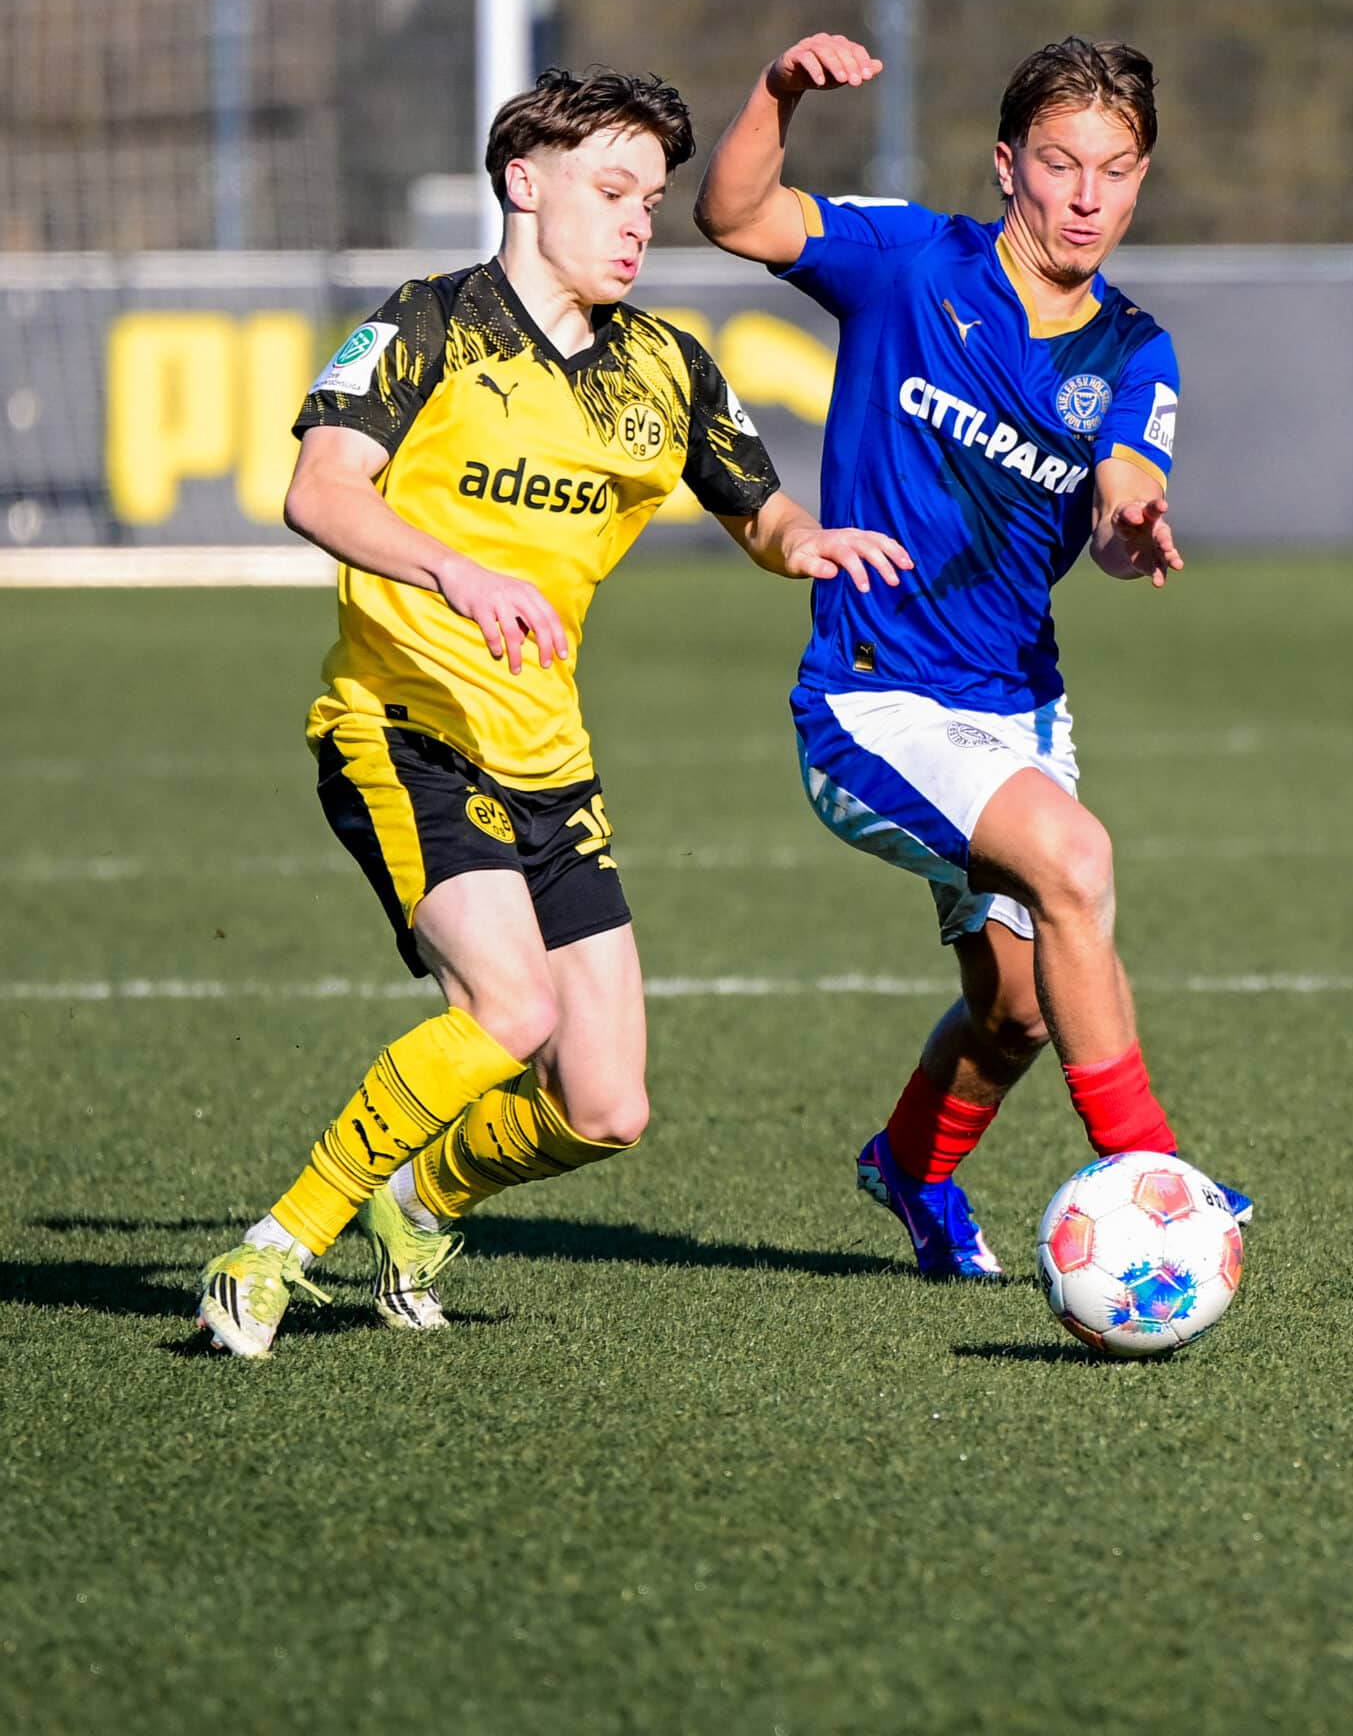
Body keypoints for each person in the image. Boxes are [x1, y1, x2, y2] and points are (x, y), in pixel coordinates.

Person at [196, 66, 910, 1357]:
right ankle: (272, 1249)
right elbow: (321, 490)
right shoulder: (428, 323)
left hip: (549, 762)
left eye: (651, 199)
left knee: (606, 1106)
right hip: (403, 725)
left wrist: (804, 541)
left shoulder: (668, 366)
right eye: (612, 190)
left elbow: (758, 510)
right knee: (510, 1011)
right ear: (524, 184)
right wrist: (454, 569)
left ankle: (422, 1201)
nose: (639, 221)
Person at [692, 30, 1251, 1281]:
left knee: (1022, 1007)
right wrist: (777, 92)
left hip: (1017, 710)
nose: (1087, 196)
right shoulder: (909, 263)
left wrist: (1129, 522)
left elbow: (1121, 502)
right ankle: (1158, 1184)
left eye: (1116, 169)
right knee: (1075, 860)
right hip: (870, 703)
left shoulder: (1134, 350)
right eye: (1061, 163)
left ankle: (910, 1164)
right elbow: (731, 214)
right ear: (1008, 166)